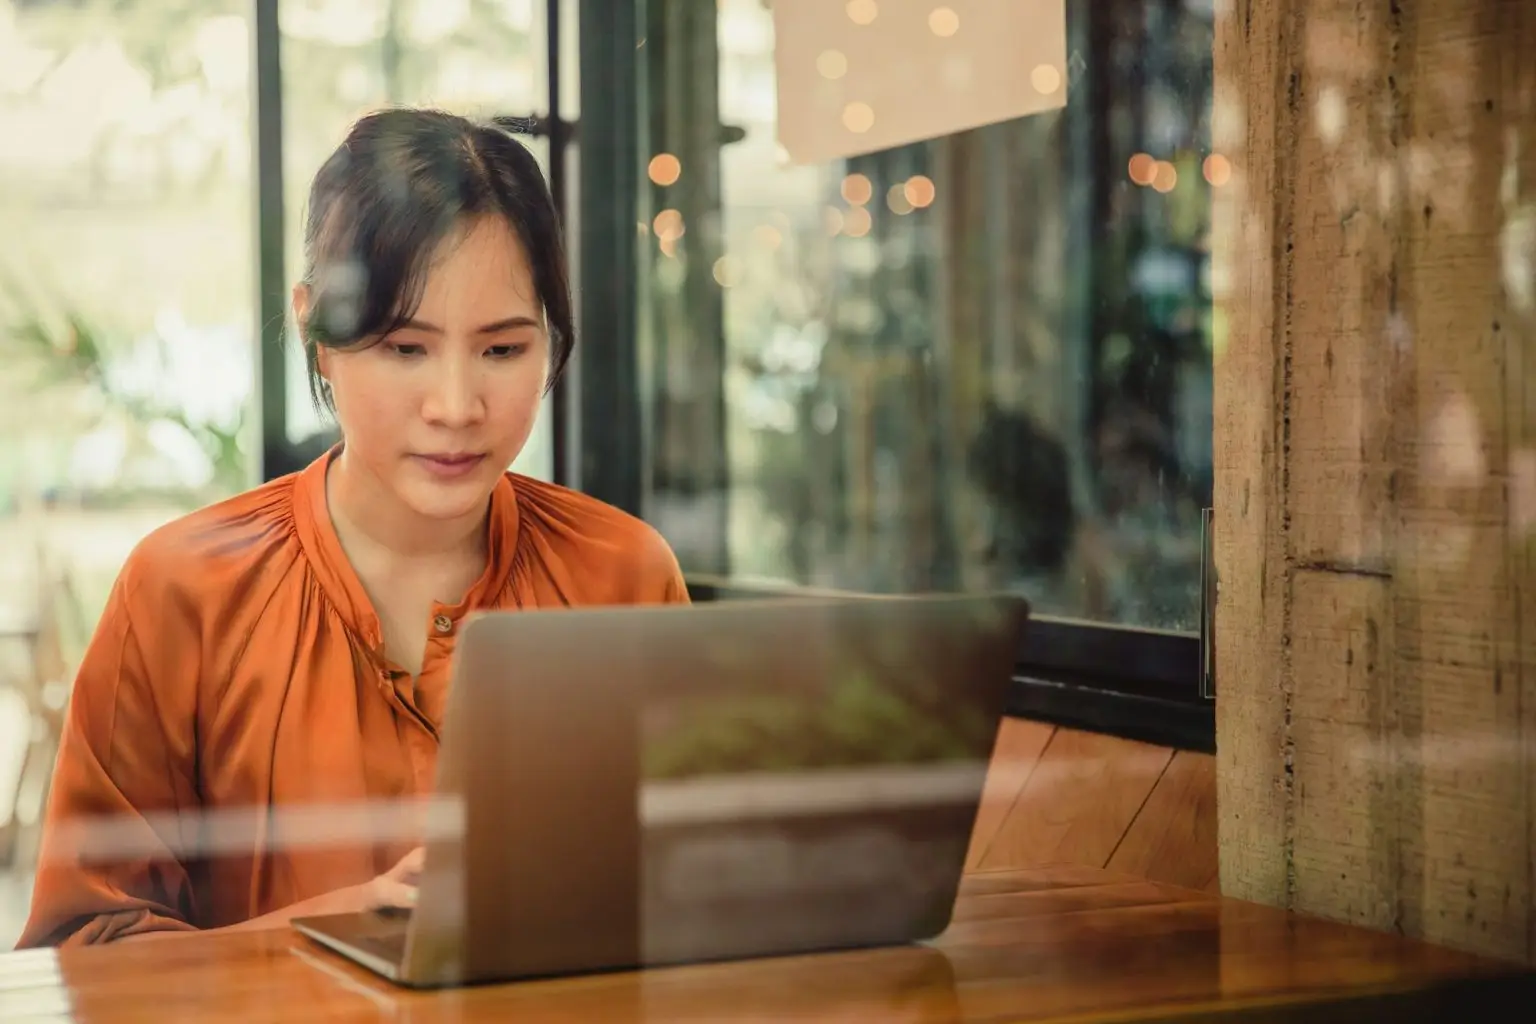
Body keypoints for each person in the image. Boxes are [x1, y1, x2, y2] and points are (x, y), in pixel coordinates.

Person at [17, 109, 688, 948]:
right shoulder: (181, 589)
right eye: (405, 349)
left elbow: (689, 899)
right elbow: (81, 954)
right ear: (316, 331)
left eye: (503, 350)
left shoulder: (621, 573)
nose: (456, 407)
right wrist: (337, 932)